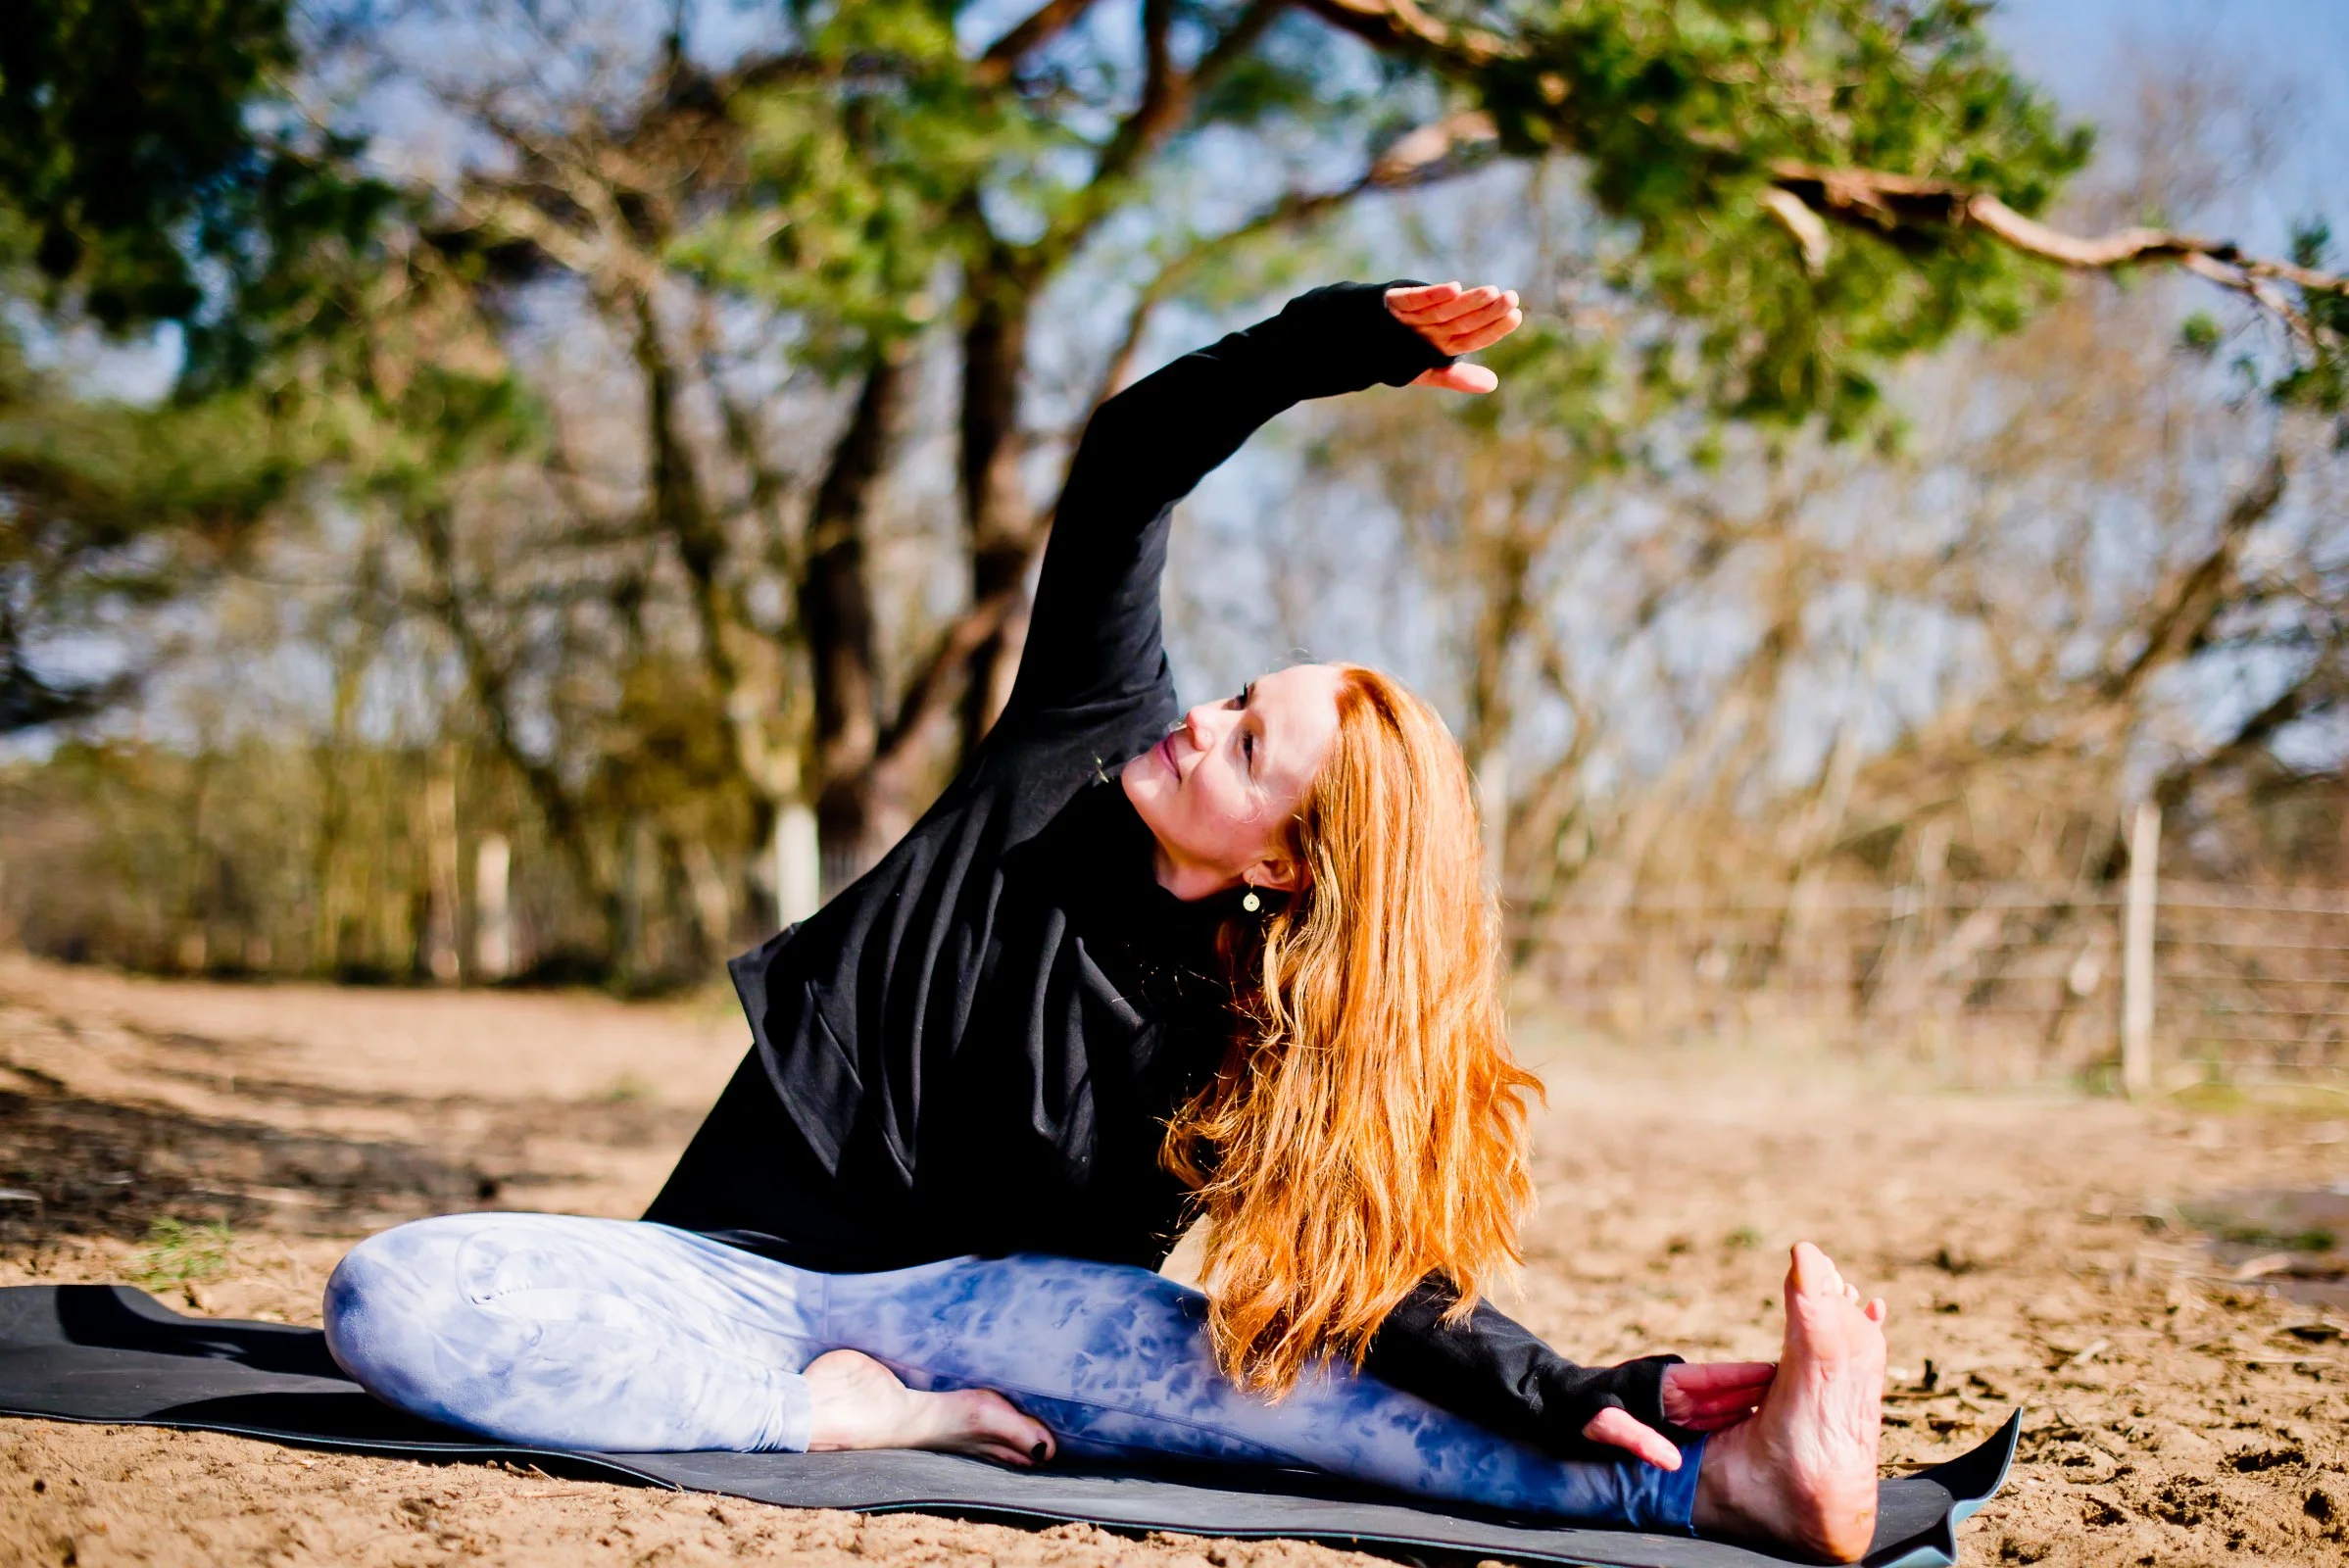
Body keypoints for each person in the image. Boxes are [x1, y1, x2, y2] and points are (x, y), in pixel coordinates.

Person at [323, 280, 1889, 1560]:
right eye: (1230, 698)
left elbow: (1363, 1288)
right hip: (731, 1293)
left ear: (1288, 863)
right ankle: (847, 1416)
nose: (1197, 721)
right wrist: (1335, 344)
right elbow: (1134, 457)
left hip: (1007, 1333)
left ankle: (1724, 1490)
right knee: (385, 1302)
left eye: (1248, 744)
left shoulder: (1258, 1028)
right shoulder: (1079, 739)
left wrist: (1572, 1385)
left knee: (1267, 1379)